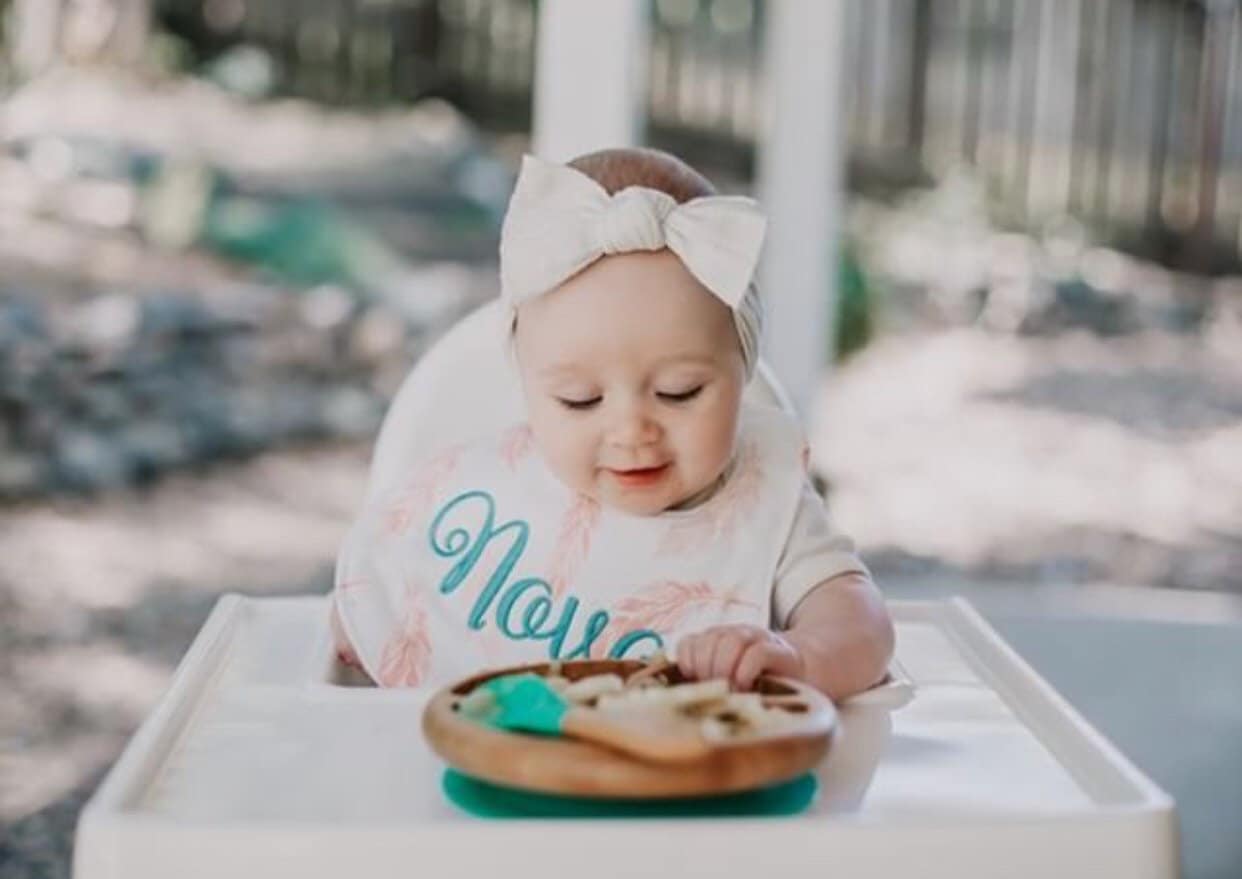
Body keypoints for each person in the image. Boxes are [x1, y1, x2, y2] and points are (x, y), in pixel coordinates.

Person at [332, 147, 893, 701]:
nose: (632, 431)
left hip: (701, 778)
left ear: (740, 372)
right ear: (527, 385)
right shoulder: (488, 491)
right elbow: (378, 597)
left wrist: (798, 657)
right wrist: (367, 624)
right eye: (579, 400)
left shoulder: (768, 498)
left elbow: (861, 625)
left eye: (680, 392)